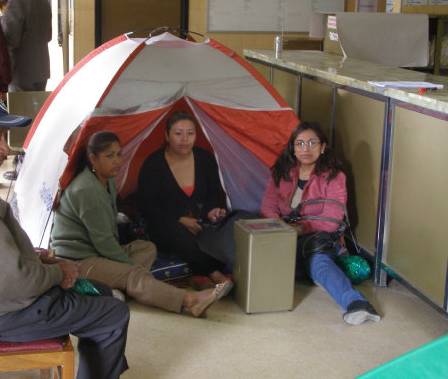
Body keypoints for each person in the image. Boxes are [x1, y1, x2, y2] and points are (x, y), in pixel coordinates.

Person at [0, 90, 129, 379]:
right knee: (114, 314)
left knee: (104, 293)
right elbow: (10, 282)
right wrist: (58, 274)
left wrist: (41, 262)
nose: (5, 150)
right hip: (7, 314)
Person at [50, 131, 231, 317]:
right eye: (109, 156)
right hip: (76, 261)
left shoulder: (107, 179)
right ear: (93, 159)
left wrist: (125, 263)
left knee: (146, 248)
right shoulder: (86, 190)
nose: (117, 161)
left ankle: (118, 290)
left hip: (95, 250)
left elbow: (108, 237)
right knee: (133, 274)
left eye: (119, 154)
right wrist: (131, 268)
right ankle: (190, 301)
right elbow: (104, 243)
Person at [260, 121, 381, 326]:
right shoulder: (281, 171)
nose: (305, 149)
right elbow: (268, 207)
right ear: (293, 148)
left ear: (323, 147)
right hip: (281, 237)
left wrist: (299, 229)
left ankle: (357, 304)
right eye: (300, 144)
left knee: (319, 263)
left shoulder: (334, 176)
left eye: (312, 143)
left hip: (316, 241)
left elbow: (333, 220)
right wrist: (281, 228)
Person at [137, 111, 234, 291]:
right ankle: (215, 274)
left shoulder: (205, 159)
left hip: (200, 221)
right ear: (167, 136)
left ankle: (199, 276)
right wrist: (179, 219)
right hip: (165, 224)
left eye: (190, 133)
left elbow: (213, 196)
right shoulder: (154, 164)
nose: (185, 139)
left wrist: (212, 211)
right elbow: (146, 207)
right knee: (180, 233)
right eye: (178, 133)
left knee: (231, 223)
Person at [1, 0, 52, 91]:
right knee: (37, 109)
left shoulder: (15, 1)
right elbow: (48, 35)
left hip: (21, 72)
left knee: (20, 109)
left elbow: (11, 40)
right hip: (41, 70)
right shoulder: (42, 0)